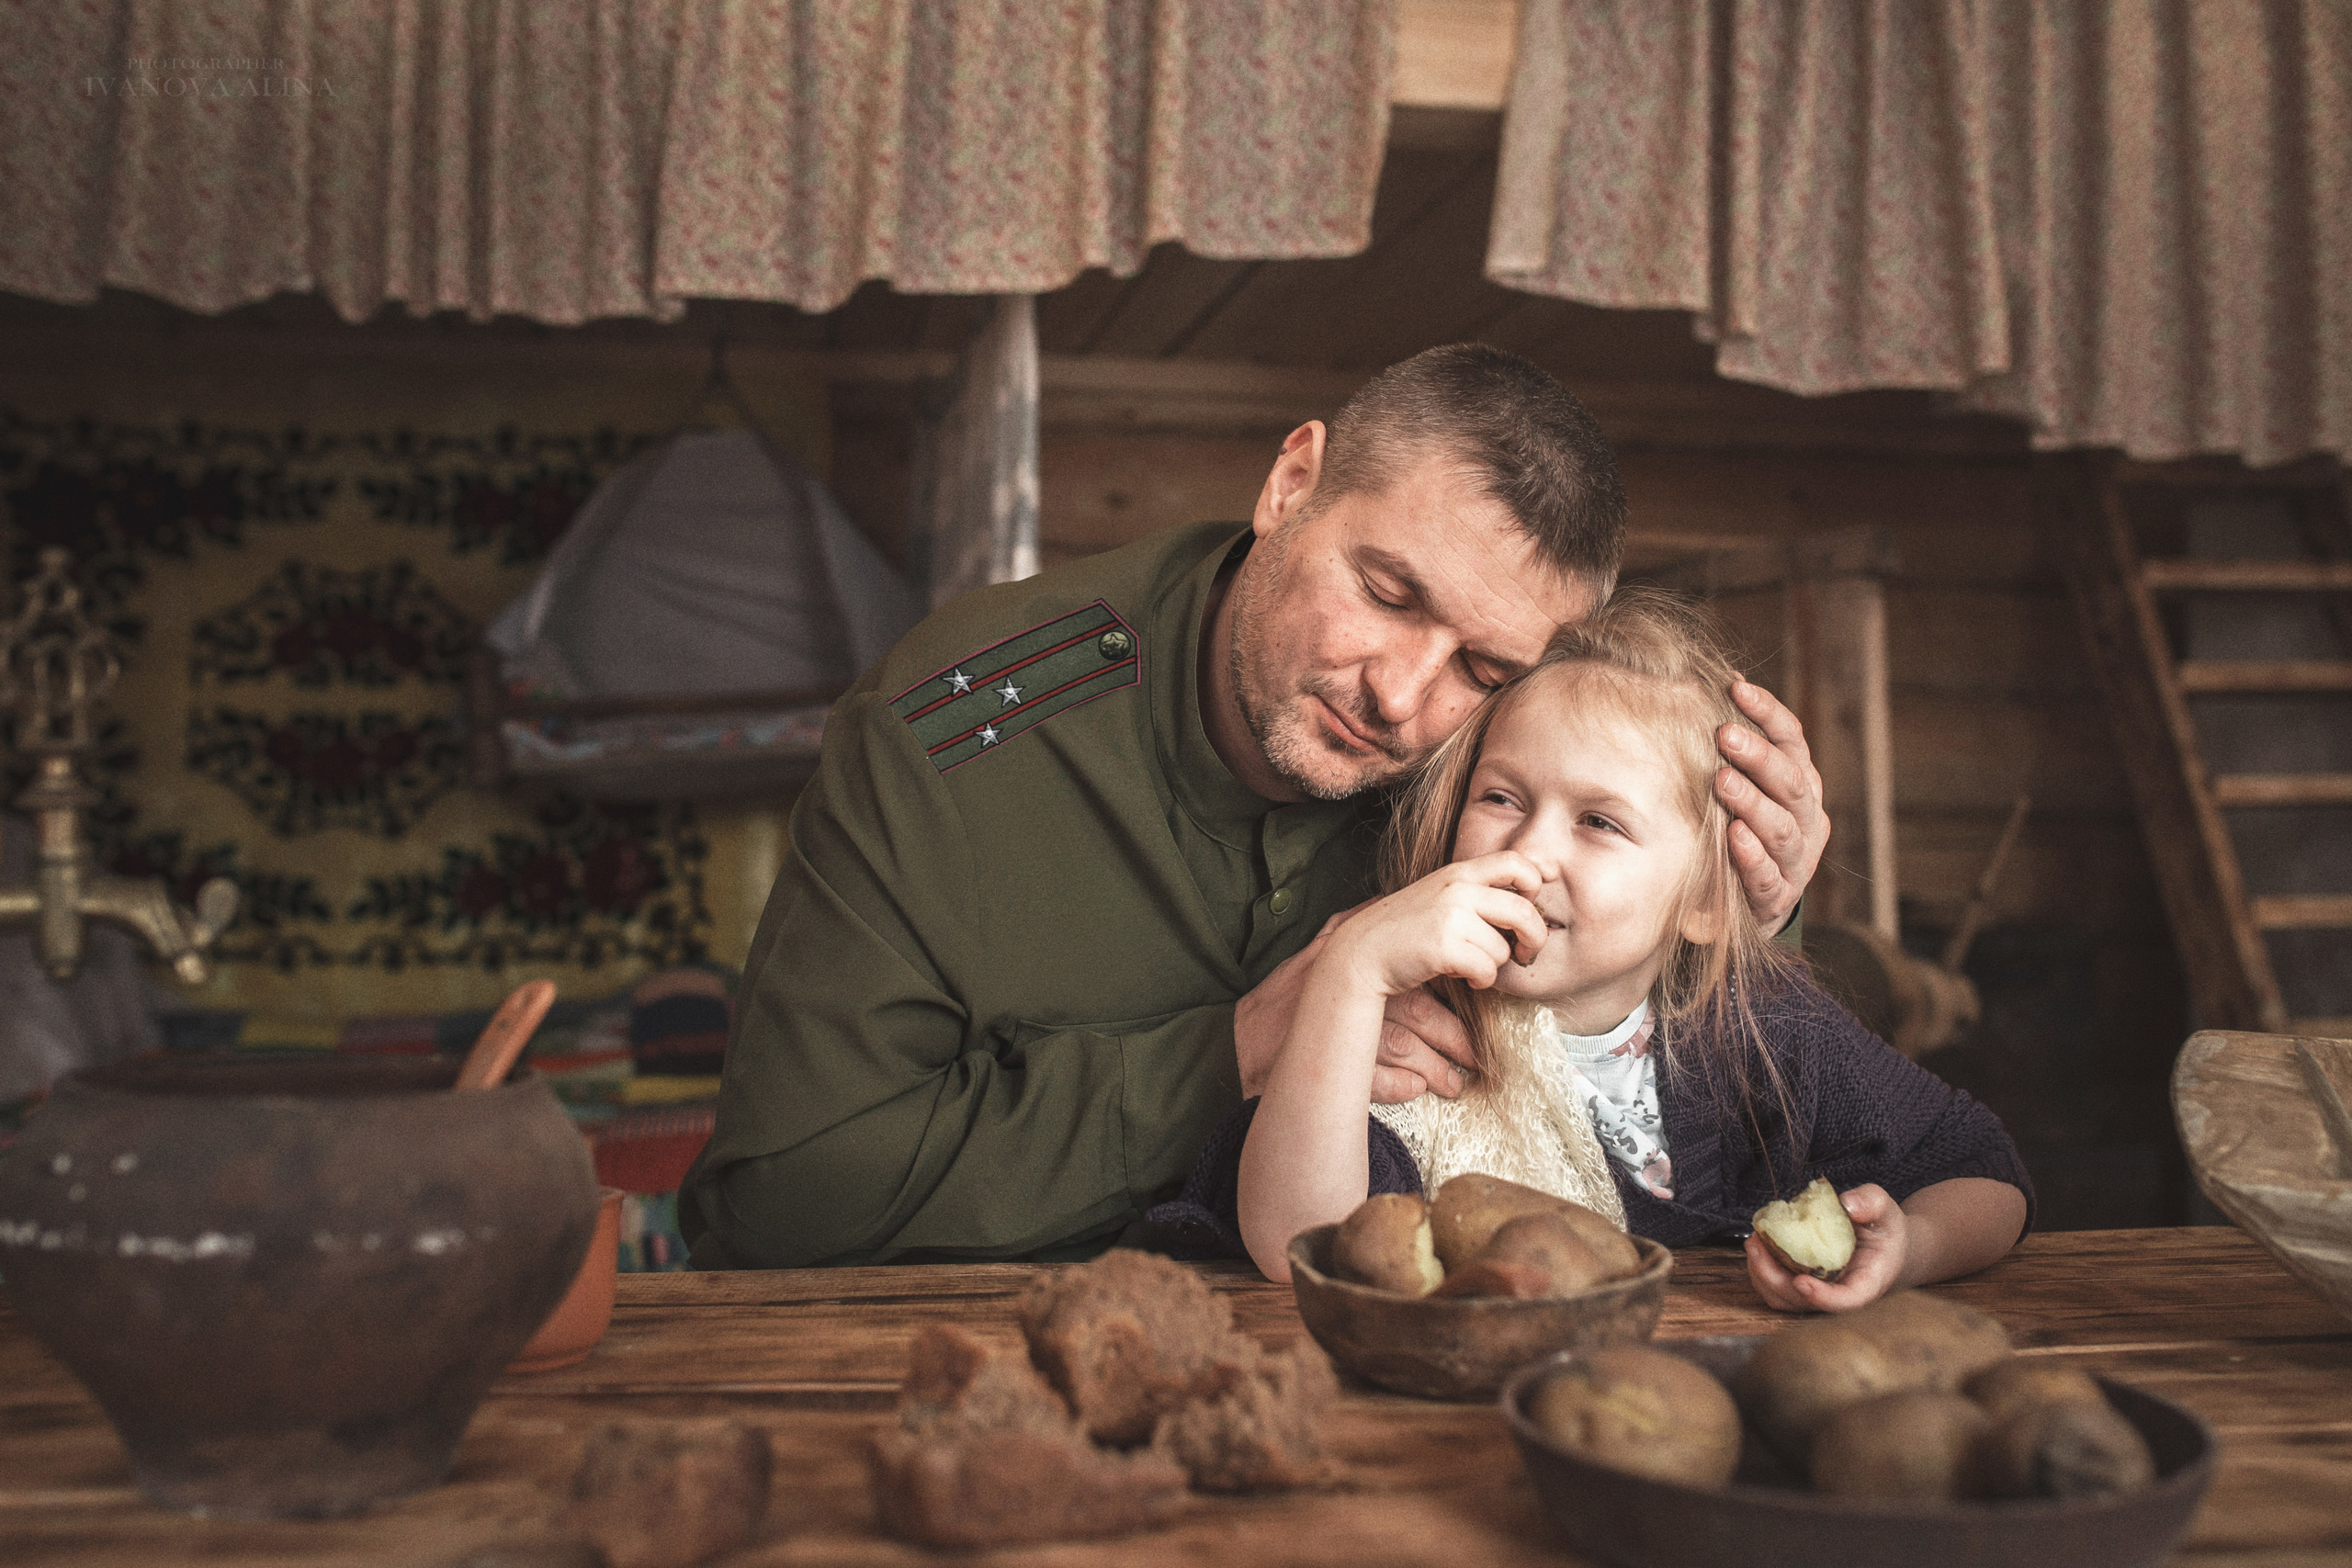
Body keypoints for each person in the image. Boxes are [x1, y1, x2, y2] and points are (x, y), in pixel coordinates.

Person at [681, 344, 1831, 1269]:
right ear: (1291, 485)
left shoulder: (1505, 772)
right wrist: (1233, 1051)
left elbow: (1671, 1092)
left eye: (1482, 670)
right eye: (1385, 594)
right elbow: (776, 1205)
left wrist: (1748, 909)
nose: (1399, 695)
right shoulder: (943, 736)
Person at [1210, 588, 2030, 1310]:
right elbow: (1299, 1244)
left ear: (1706, 900)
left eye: (1598, 822)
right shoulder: (1414, 1030)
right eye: (1501, 796)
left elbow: (1983, 1169)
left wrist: (1909, 1249)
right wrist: (1352, 970)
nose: (1531, 849)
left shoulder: (1760, 1028)